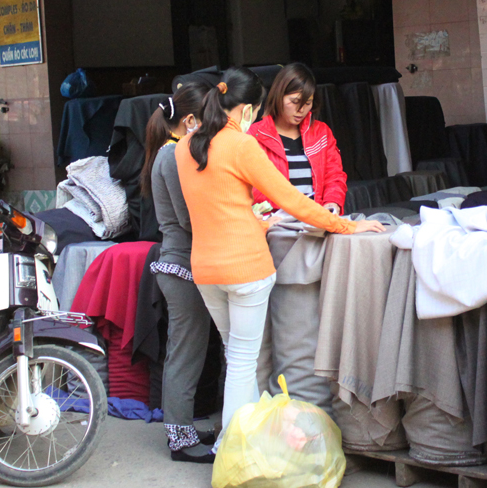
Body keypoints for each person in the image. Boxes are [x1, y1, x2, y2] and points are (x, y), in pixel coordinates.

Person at [175, 67, 385, 454]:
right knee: (243, 361)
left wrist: (256, 218)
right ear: (252, 110)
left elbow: (214, 206)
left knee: (237, 355)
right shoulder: (242, 144)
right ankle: (234, 450)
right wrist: (345, 226)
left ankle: (243, 442)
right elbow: (292, 199)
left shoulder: (184, 147)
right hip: (246, 269)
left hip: (205, 269)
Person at [140, 82, 216, 463]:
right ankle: (181, 440)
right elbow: (188, 218)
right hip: (182, 263)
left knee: (187, 351)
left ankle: (182, 427)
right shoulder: (173, 157)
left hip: (181, 263)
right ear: (189, 121)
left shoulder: (169, 154)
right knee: (186, 354)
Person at [248, 63, 347, 214]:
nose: (301, 110)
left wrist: (332, 203)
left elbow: (334, 175)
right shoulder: (254, 135)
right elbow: (251, 187)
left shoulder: (321, 133)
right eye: (295, 102)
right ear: (278, 95)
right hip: (275, 226)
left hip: (316, 221)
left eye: (307, 103)